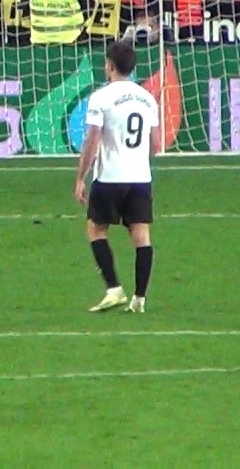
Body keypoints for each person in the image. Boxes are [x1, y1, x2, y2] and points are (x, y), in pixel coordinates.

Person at [75, 41, 160, 314]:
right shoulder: (148, 98)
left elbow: (92, 141)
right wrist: (140, 165)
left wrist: (80, 177)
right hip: (139, 177)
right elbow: (155, 144)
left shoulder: (101, 97)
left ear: (110, 66)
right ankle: (140, 299)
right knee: (141, 234)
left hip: (110, 177)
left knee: (96, 228)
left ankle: (113, 289)